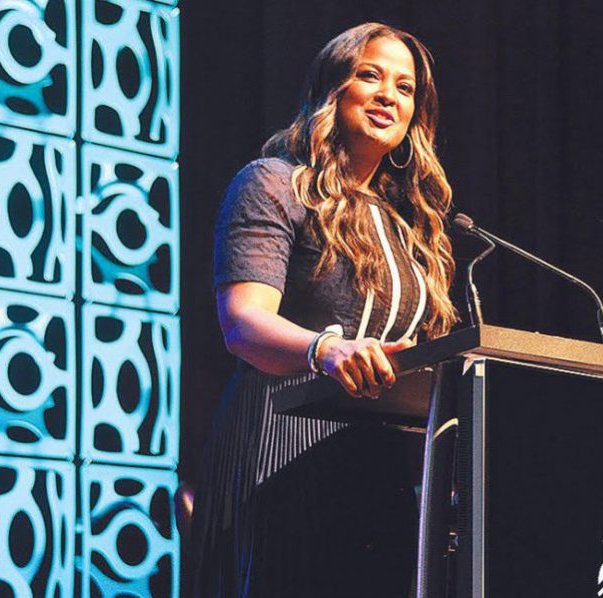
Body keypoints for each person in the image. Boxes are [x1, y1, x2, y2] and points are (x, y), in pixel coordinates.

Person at [189, 22, 458, 596]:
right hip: (280, 444)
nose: (390, 94)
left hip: (379, 467)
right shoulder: (274, 184)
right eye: (370, 75)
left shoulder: (416, 228)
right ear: (332, 91)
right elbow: (243, 322)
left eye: (405, 87)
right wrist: (326, 350)